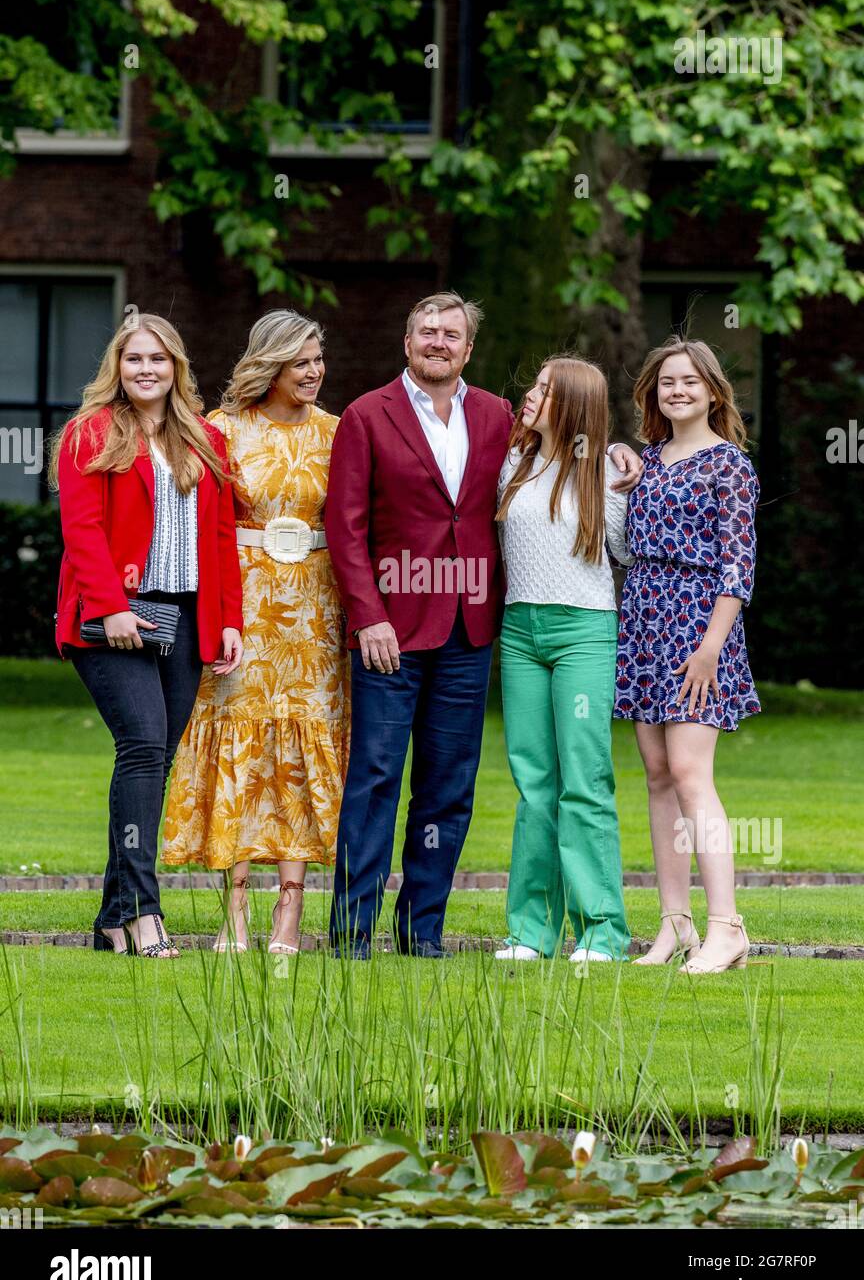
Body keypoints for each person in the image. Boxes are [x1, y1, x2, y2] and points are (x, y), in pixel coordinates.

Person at [324, 291, 644, 958]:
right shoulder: (364, 415)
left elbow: (571, 443)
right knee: (376, 776)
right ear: (407, 342)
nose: (437, 342)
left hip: (472, 631)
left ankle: (422, 932)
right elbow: (344, 528)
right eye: (426, 331)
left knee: (448, 785)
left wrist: (621, 452)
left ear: (468, 349)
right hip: (391, 630)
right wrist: (367, 618)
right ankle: (352, 934)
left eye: (451, 334)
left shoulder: (498, 419)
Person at [51, 314, 244, 958]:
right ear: (117, 365)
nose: (146, 370)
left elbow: (220, 540)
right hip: (114, 616)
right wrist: (109, 608)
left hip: (185, 619)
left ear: (176, 368)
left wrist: (228, 623)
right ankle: (141, 911)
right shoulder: (89, 434)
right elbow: (81, 532)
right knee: (141, 745)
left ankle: (112, 918)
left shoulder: (206, 439)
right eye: (134, 359)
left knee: (156, 761)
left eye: (158, 360)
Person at [161, 311, 350, 955]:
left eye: (318, 359)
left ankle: (289, 919)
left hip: (318, 611)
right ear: (270, 366)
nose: (313, 372)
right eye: (300, 362)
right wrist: (214, 617)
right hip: (243, 605)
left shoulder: (339, 431)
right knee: (238, 745)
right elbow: (199, 528)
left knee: (301, 751)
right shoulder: (222, 430)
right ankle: (236, 916)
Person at [613, 337, 760, 973]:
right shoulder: (648, 460)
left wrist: (709, 651)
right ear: (653, 392)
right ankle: (675, 924)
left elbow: (737, 565)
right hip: (645, 619)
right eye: (667, 382)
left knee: (691, 773)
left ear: (712, 392)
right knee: (657, 776)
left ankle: (727, 927)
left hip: (702, 627)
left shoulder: (730, 466)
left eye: (690, 382)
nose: (678, 390)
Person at [493, 357, 632, 963]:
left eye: (546, 389)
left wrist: (625, 463)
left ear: (573, 404)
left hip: (584, 632)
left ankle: (602, 932)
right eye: (534, 384)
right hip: (520, 632)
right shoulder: (512, 464)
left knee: (585, 781)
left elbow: (625, 551)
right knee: (534, 784)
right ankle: (531, 932)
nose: (531, 394)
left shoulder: (607, 474)